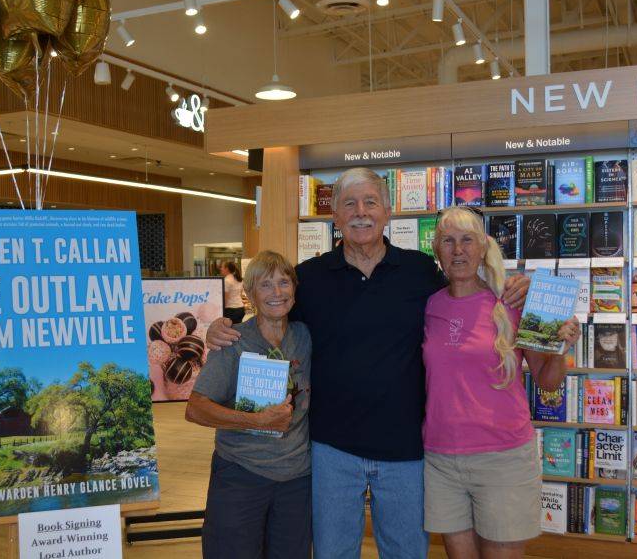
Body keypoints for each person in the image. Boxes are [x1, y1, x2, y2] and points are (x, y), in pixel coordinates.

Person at [207, 167, 530, 558]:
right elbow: (272, 316)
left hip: (405, 448)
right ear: (335, 216)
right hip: (331, 449)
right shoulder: (310, 278)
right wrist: (222, 328)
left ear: (387, 211)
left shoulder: (419, 271)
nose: (361, 211)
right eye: (349, 204)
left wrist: (512, 285)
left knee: (405, 552)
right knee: (334, 552)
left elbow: (467, 297)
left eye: (370, 202)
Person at [422, 206, 580, 559]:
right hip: (441, 459)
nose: (457, 250)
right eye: (448, 241)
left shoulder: (512, 301)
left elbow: (548, 382)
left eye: (467, 240)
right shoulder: (429, 305)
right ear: (437, 250)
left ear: (483, 248)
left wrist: (560, 349)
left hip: (503, 457)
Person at [186, 250, 311, 559]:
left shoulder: (305, 336)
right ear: (249, 293)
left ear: (295, 289)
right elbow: (195, 408)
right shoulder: (232, 341)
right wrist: (257, 421)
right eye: (265, 285)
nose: (277, 293)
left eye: (284, 282)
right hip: (241, 475)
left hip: (296, 480)